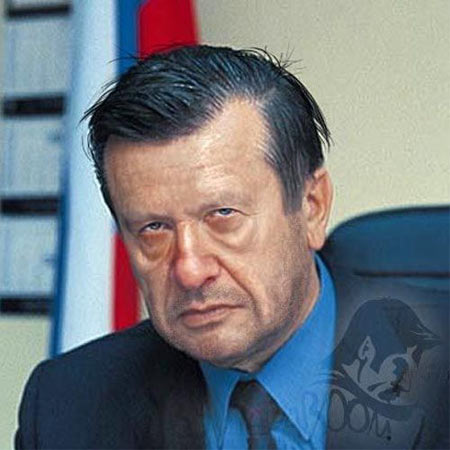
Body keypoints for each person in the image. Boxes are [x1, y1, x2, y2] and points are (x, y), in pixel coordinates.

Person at [15, 45, 448, 449]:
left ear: (312, 207)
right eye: (153, 228)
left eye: (222, 214)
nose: (189, 269)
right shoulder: (66, 406)